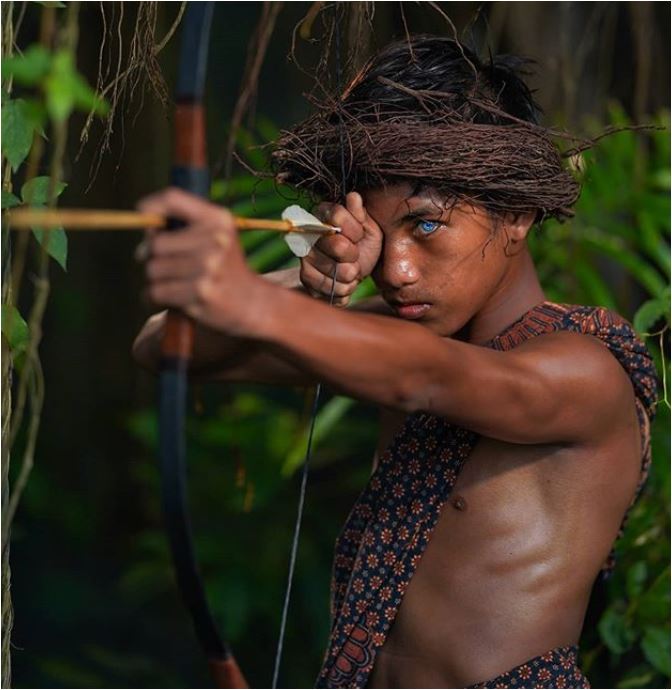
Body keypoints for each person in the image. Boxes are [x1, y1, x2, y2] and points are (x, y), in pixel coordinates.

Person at [133, 37, 657, 689]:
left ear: (517, 213)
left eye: (427, 227)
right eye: (377, 238)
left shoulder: (582, 370)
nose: (397, 270)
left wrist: (245, 297)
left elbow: (427, 377)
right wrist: (308, 278)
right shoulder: (390, 337)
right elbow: (163, 344)